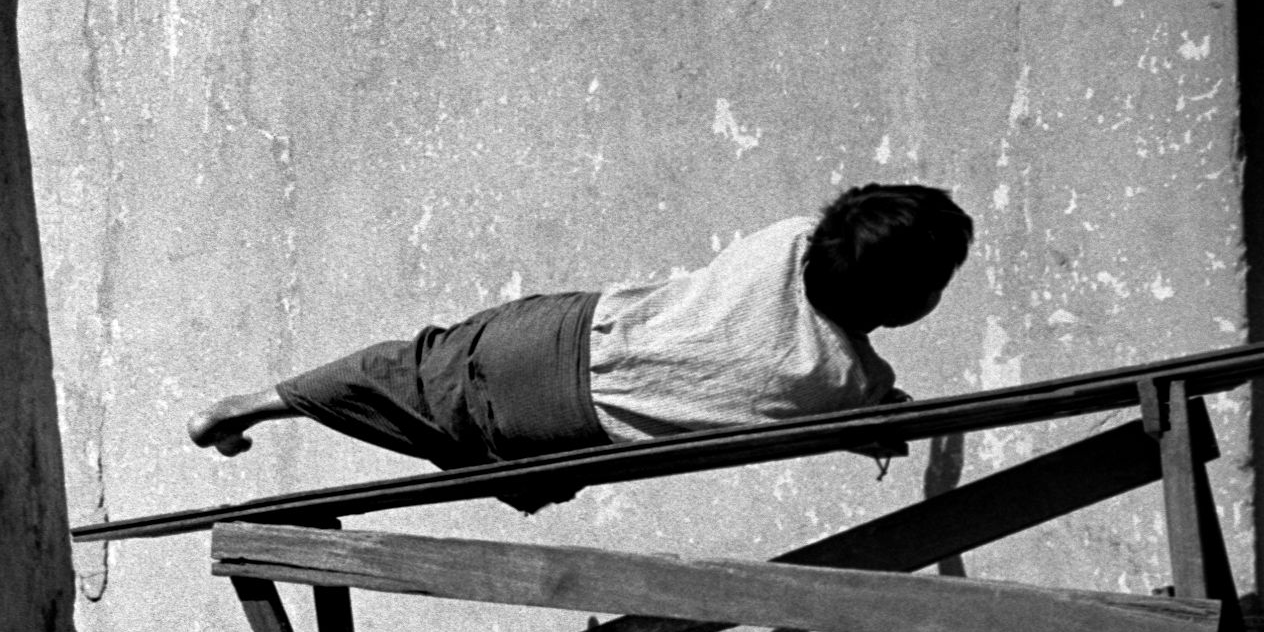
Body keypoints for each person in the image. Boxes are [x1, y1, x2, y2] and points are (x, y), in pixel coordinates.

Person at [186, 182, 973, 512]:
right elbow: (863, 413)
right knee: (487, 450)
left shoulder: (784, 244)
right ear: (904, 303)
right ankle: (268, 405)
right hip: (563, 427)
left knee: (408, 368)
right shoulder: (837, 383)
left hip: (561, 331)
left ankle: (256, 403)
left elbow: (839, 221)